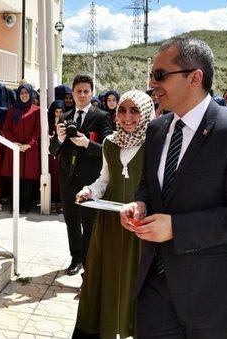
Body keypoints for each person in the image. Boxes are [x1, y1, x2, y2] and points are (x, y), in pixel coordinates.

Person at [119, 37, 227, 338]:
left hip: (212, 295)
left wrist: (177, 228)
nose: (152, 83)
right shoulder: (157, 129)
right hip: (154, 288)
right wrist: (140, 205)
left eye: (160, 75)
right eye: (151, 75)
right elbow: (150, 186)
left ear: (195, 77)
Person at [73, 90, 155, 339]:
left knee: (135, 279)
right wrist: (89, 191)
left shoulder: (155, 143)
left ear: (145, 113)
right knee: (108, 277)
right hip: (110, 222)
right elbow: (104, 179)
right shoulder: (110, 142)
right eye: (122, 110)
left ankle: (131, 328)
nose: (127, 117)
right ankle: (109, 328)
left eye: (134, 110)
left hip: (141, 223)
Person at [50, 75, 113, 276]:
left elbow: (108, 149)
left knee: (89, 225)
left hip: (90, 180)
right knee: (71, 222)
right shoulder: (65, 117)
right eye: (79, 91)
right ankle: (75, 258)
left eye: (86, 91)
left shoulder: (102, 116)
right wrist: (58, 140)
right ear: (73, 93)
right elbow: (53, 151)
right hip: (67, 178)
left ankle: (89, 264)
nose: (83, 95)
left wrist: (88, 144)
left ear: (92, 93)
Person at [0, 83, 41, 214]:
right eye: (22, 93)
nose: (24, 95)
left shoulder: (36, 110)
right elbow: (7, 128)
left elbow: (37, 129)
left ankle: (25, 206)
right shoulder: (12, 109)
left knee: (27, 180)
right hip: (15, 148)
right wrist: (15, 143)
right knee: (14, 178)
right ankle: (14, 206)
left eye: (26, 93)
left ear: (30, 94)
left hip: (30, 149)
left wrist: (29, 144)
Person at [48, 100, 65, 213]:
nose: (58, 114)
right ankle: (52, 201)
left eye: (60, 112)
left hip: (61, 154)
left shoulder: (65, 123)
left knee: (60, 179)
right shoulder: (49, 123)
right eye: (56, 112)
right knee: (52, 178)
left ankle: (60, 201)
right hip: (51, 155)